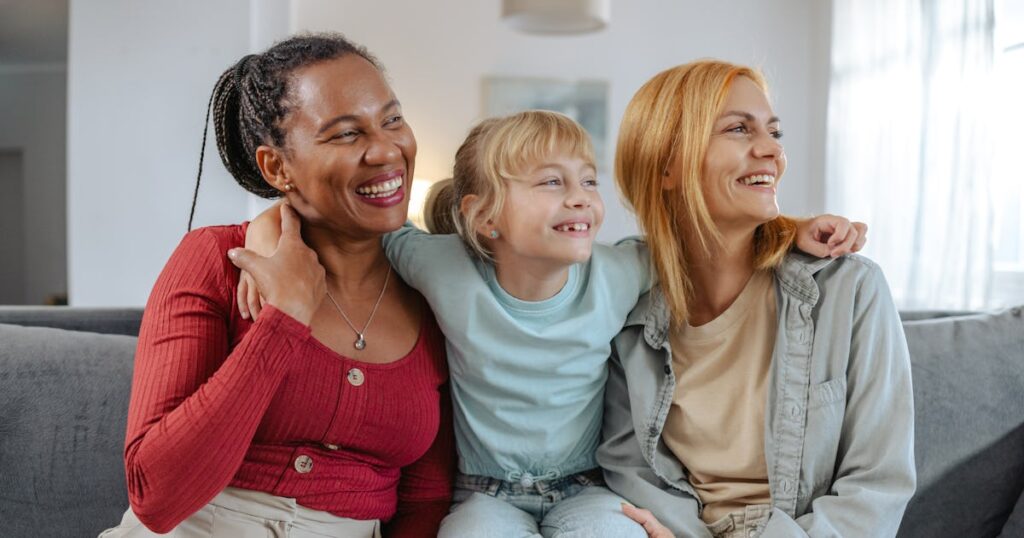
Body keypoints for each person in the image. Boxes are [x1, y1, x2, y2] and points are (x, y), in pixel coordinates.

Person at [241, 109, 867, 537]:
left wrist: (792, 230)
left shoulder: (618, 272)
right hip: (484, 495)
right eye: (551, 182)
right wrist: (263, 239)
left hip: (586, 488)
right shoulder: (442, 265)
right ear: (483, 217)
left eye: (587, 181)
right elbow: (343, 221)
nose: (580, 197)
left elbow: (708, 244)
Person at [99, 34, 454, 538]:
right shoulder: (217, 261)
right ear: (277, 167)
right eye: (346, 134)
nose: (385, 150)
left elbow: (427, 498)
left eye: (392, 120)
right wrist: (283, 318)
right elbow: (157, 495)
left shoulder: (434, 292)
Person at [598, 60, 916, 538]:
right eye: (739, 129)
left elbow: (876, 487)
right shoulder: (622, 299)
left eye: (774, 131)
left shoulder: (850, 289)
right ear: (666, 165)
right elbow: (629, 466)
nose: (772, 150)